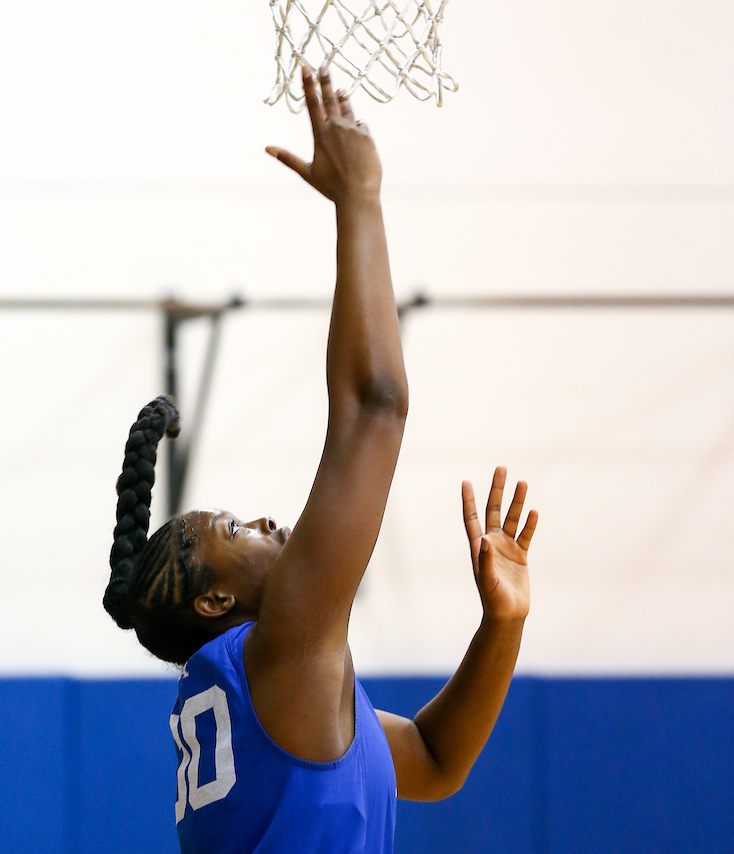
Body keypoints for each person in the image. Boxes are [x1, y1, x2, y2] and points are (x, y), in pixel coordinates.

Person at [103, 66, 538, 854]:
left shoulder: (268, 690)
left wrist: (500, 624)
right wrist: (360, 201)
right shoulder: (279, 659)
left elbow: (437, 761)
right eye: (233, 526)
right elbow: (373, 411)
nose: (265, 521)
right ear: (214, 601)